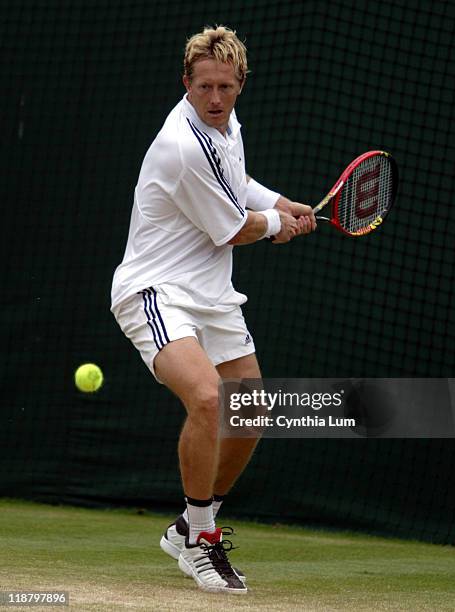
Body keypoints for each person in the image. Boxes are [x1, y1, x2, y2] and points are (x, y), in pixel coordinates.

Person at [110, 25, 316, 594]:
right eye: (205, 87)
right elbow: (234, 229)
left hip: (212, 296)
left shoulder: (227, 128)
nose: (216, 98)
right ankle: (203, 540)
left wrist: (278, 202)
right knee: (207, 398)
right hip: (156, 291)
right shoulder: (181, 144)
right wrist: (280, 226)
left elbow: (236, 182)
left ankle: (185, 525)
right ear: (186, 84)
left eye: (226, 86)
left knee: (251, 411)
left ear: (240, 84)